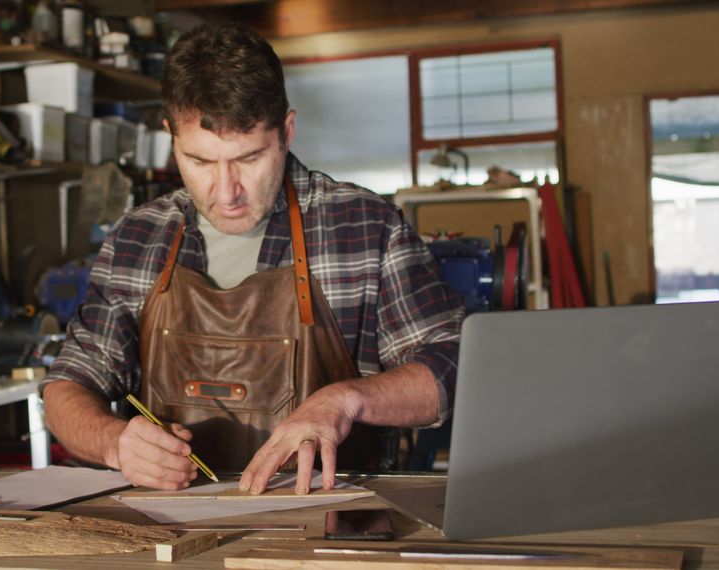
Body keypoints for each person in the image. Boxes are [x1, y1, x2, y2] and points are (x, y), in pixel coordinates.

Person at [41, 21, 463, 495]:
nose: (226, 192)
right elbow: (66, 386)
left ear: (286, 131)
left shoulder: (364, 227)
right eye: (199, 162)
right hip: (170, 529)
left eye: (248, 158)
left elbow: (454, 362)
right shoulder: (138, 238)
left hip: (328, 526)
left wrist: (347, 399)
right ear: (170, 137)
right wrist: (116, 442)